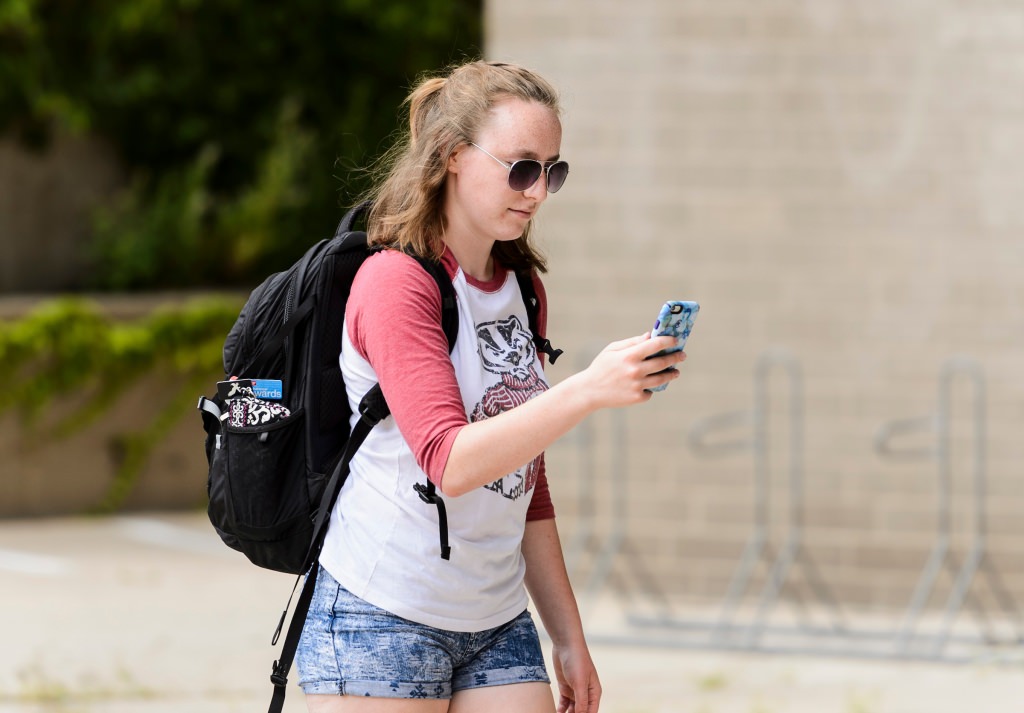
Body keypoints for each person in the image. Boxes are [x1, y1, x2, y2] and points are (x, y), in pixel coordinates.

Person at [296, 59, 686, 713]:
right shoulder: (398, 283)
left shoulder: (520, 289)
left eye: (552, 170)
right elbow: (449, 461)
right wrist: (586, 389)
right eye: (522, 166)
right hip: (382, 609)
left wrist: (567, 634)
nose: (537, 191)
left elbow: (523, 479)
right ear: (452, 155)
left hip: (496, 615)